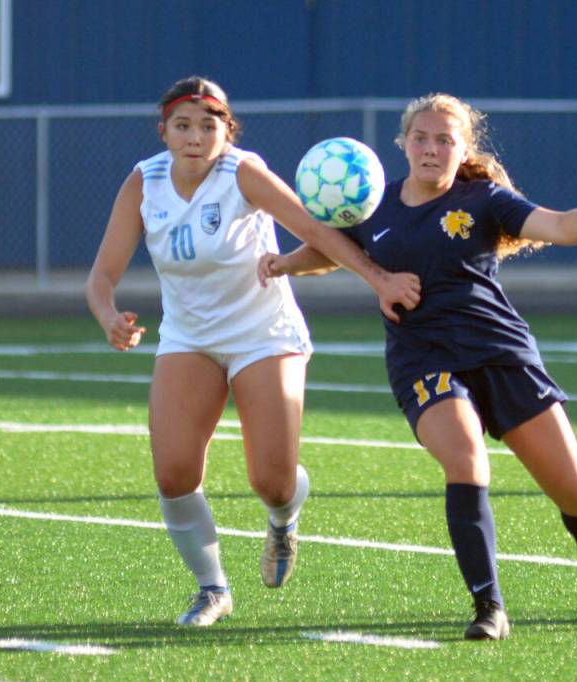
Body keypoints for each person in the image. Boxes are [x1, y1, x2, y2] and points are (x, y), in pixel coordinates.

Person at [258, 93, 577, 640]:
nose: (431, 148)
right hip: (423, 358)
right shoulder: (375, 203)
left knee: (576, 492)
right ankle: (488, 605)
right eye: (421, 137)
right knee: (467, 460)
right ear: (403, 144)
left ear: (464, 148)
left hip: (501, 352)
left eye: (445, 139)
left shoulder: (486, 199)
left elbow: (559, 226)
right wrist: (282, 263)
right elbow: (334, 249)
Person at [86, 76, 421, 627]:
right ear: (164, 131)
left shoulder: (243, 173)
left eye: (209, 125)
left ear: (227, 130)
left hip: (264, 334)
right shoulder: (143, 183)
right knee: (173, 474)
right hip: (189, 337)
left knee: (272, 482)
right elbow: (102, 274)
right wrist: (108, 316)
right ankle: (211, 588)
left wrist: (380, 279)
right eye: (183, 125)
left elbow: (317, 231)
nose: (196, 136)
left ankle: (284, 520)